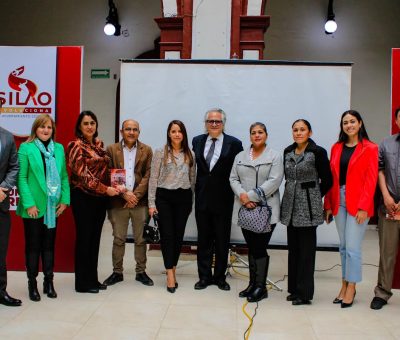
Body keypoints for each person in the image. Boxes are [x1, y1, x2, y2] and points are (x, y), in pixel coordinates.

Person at [324, 110, 378, 308]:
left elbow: (371, 180)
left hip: (358, 202)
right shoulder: (336, 147)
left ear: (360, 123)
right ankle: (344, 283)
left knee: (353, 249)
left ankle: (352, 287)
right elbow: (331, 178)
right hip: (338, 198)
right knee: (344, 246)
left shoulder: (371, 148)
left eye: (352, 121)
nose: (349, 125)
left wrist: (364, 207)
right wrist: (328, 205)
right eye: (345, 122)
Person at [16, 114, 70, 301]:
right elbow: (21, 178)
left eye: (49, 127)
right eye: (42, 127)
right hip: (34, 208)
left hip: (52, 207)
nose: (46, 130)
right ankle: (33, 283)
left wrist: (64, 200)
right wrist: (29, 204)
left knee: (48, 246)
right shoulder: (26, 148)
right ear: (35, 129)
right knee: (33, 247)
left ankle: (49, 281)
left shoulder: (59, 149)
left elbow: (63, 176)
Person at [280, 119, 332, 306]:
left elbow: (327, 179)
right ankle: (294, 289)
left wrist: (315, 195)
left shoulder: (317, 152)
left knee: (306, 253)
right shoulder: (287, 151)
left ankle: (305, 293)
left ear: (310, 132)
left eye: (302, 129)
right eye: (295, 130)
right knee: (293, 250)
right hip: (291, 206)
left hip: (308, 206)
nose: (299, 132)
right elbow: (286, 177)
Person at [230, 122, 283, 302]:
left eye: (260, 132)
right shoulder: (240, 156)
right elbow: (233, 178)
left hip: (266, 210)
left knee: (260, 247)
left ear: (266, 135)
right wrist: (242, 196)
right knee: (251, 247)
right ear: (250, 136)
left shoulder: (275, 156)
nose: (257, 135)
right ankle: (252, 284)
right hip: (245, 209)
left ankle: (261, 288)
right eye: (253, 133)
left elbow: (274, 181)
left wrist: (251, 196)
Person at [67, 111, 120, 293]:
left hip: (99, 200)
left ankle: (93, 279)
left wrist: (117, 186)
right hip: (83, 198)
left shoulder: (99, 145)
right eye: (86, 123)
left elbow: (105, 171)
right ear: (80, 127)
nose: (90, 126)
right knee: (84, 239)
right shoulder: (75, 146)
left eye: (92, 123)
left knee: (95, 240)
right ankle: (82, 283)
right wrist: (106, 189)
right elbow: (83, 176)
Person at [192, 108, 243, 291]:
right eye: (210, 121)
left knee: (222, 240)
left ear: (223, 123)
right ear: (206, 124)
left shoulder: (235, 144)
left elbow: (239, 171)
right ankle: (204, 277)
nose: (214, 124)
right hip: (202, 198)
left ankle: (220, 277)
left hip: (224, 199)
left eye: (217, 121)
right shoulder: (197, 141)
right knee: (203, 240)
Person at [103, 119, 154, 287]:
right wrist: (125, 194)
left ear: (139, 132)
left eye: (135, 129)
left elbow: (148, 176)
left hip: (140, 203)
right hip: (119, 202)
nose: (131, 132)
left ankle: (141, 272)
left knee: (141, 239)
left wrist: (135, 196)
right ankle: (117, 272)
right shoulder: (111, 150)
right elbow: (109, 174)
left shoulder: (147, 150)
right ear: (121, 131)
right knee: (119, 238)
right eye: (128, 129)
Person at [148, 120, 195, 293]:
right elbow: (153, 178)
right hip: (164, 198)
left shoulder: (190, 154)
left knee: (178, 236)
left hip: (183, 198)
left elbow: (193, 180)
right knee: (167, 236)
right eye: (173, 131)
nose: (176, 134)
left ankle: (173, 267)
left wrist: (191, 202)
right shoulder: (161, 152)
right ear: (168, 133)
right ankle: (169, 273)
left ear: (183, 134)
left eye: (179, 131)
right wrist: (151, 204)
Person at [370, 107, 400, 310]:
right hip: (389, 205)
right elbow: (379, 170)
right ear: (397, 121)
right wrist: (387, 196)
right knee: (387, 252)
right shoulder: (386, 143)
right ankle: (382, 292)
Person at [0, 124, 21, 306]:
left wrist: (4, 188)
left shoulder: (7, 137)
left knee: (1, 250)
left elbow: (14, 167)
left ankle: (1, 291)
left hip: (0, 203)